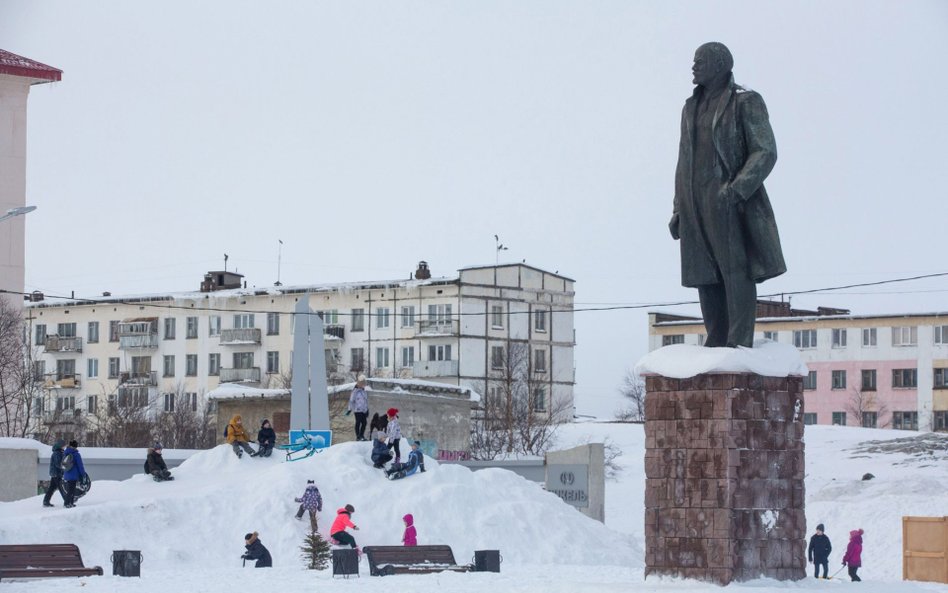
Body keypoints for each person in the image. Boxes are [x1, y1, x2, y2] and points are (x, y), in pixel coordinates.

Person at [668, 42, 786, 348]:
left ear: (720, 65)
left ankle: (738, 341)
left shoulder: (745, 102)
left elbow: (766, 151)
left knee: (735, 270)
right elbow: (684, 160)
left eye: (700, 61)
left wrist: (735, 191)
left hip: (730, 200)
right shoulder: (689, 108)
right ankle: (716, 338)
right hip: (695, 202)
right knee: (703, 274)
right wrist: (678, 208)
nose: (693, 67)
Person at [62, 440, 87, 508]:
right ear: (75, 446)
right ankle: (67, 503)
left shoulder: (65, 453)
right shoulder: (76, 454)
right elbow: (80, 465)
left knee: (71, 489)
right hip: (73, 475)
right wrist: (83, 474)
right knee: (71, 490)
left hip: (67, 474)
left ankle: (71, 502)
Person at [42, 439, 66, 507]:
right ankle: (67, 501)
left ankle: (46, 501)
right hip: (57, 473)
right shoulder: (57, 453)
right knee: (61, 487)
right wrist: (64, 467)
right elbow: (58, 464)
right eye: (63, 446)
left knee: (52, 488)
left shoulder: (59, 452)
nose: (64, 447)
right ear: (60, 446)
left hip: (55, 473)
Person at [347, 375, 369, 441]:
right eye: (363, 384)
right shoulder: (355, 392)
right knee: (358, 422)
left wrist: (367, 410)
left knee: (364, 423)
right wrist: (349, 409)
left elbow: (365, 401)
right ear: (360, 384)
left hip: (363, 410)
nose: (364, 385)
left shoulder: (364, 391)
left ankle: (361, 435)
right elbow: (351, 401)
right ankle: (358, 436)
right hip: (357, 410)